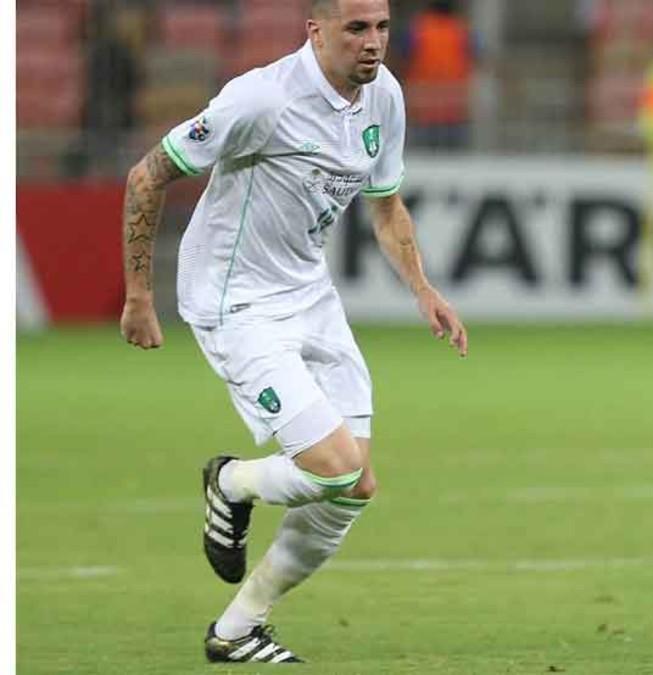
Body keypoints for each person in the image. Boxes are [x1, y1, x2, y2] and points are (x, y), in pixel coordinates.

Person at [119, 0, 467, 663]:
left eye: (383, 28)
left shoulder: (383, 96)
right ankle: (233, 483)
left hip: (310, 295)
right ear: (316, 31)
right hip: (236, 301)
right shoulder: (261, 100)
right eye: (356, 29)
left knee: (356, 486)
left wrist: (423, 289)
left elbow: (386, 206)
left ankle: (238, 628)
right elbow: (147, 175)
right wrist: (139, 293)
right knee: (335, 470)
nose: (374, 43)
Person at [396, 0, 476, 150]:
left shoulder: (417, 29)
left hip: (422, 107)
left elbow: (403, 58)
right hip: (455, 107)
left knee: (423, 159)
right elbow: (478, 58)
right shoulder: (462, 30)